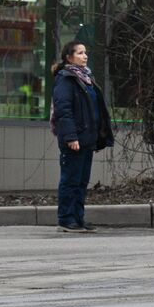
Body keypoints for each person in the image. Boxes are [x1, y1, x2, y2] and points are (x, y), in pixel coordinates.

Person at [51, 41, 114, 233]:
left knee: (81, 180)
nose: (85, 56)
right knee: (70, 179)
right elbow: (64, 111)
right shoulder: (66, 79)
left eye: (85, 53)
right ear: (69, 57)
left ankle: (78, 218)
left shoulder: (86, 78)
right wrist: (71, 137)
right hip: (75, 139)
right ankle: (66, 219)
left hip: (87, 138)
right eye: (80, 53)